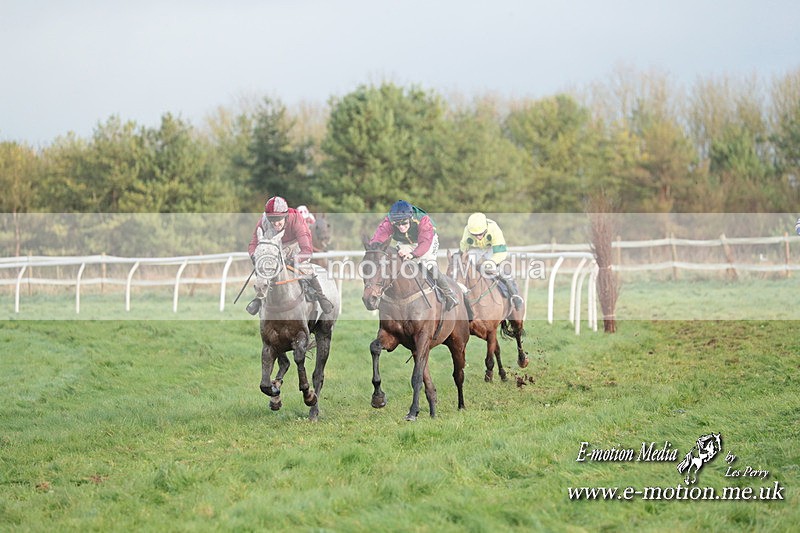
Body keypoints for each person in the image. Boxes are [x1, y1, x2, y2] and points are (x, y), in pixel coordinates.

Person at [245, 196, 334, 315]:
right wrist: (255, 257)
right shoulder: (263, 220)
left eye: (279, 219)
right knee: (264, 268)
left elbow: (307, 250)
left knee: (304, 268)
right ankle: (259, 298)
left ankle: (322, 297)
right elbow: (253, 244)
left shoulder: (296, 219)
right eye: (272, 219)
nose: (275, 223)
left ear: (286, 216)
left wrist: (293, 260)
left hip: (295, 244)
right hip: (275, 245)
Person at [369, 200, 459, 311]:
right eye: (397, 224)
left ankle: (449, 294)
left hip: (427, 240)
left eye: (404, 223)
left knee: (428, 264)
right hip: (405, 242)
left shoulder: (423, 220)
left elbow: (425, 243)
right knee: (396, 262)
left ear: (411, 218)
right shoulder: (390, 220)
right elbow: (379, 236)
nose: (401, 227)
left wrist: (413, 254)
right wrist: (373, 248)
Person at [459, 212, 524, 311]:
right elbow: (463, 250)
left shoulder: (494, 229)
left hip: (493, 249)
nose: (478, 237)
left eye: (481, 234)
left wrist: (492, 262)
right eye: (475, 235)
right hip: (477, 249)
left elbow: (501, 253)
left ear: (486, 229)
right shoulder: (467, 231)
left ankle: (515, 295)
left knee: (496, 269)